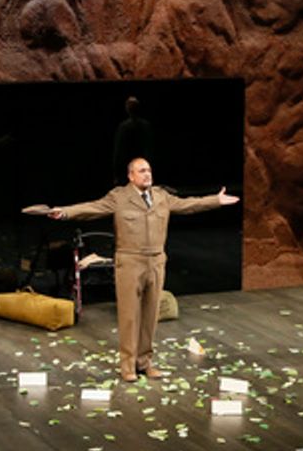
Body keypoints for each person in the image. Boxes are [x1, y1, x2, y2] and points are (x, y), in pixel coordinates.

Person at [48, 158, 239, 381]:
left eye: (148, 170)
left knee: (150, 316)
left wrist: (216, 200)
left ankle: (145, 362)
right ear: (131, 176)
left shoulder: (161, 196)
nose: (147, 174)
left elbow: (188, 205)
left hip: (156, 262)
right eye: (141, 171)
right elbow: (92, 208)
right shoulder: (119, 197)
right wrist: (65, 212)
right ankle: (128, 366)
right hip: (130, 262)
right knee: (130, 316)